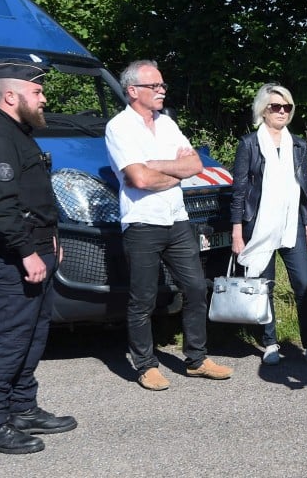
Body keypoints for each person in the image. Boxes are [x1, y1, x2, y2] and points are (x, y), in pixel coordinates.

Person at [0, 58, 77, 454]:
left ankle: (22, 409)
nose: (43, 99)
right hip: (14, 255)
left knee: (32, 335)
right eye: (37, 92)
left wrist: (51, 240)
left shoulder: (16, 132)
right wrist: (28, 252)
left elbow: (33, 198)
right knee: (8, 340)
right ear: (11, 96)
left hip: (36, 249)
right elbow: (0, 206)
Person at [105, 60, 233, 390]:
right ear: (133, 91)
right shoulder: (119, 127)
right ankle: (145, 365)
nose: (162, 90)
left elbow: (195, 164)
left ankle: (196, 359)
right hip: (142, 222)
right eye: (155, 86)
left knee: (195, 287)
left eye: (162, 85)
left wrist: (156, 166)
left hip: (177, 219)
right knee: (143, 299)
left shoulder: (167, 124)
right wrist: (174, 172)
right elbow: (138, 178)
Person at [230, 84, 307, 368]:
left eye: (287, 107)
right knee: (265, 286)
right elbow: (239, 191)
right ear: (263, 110)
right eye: (276, 106)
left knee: (304, 284)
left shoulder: (298, 145)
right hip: (258, 224)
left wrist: (306, 223)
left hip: (291, 223)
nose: (282, 111)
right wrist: (237, 231)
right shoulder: (249, 144)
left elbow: (303, 187)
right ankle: (270, 342)